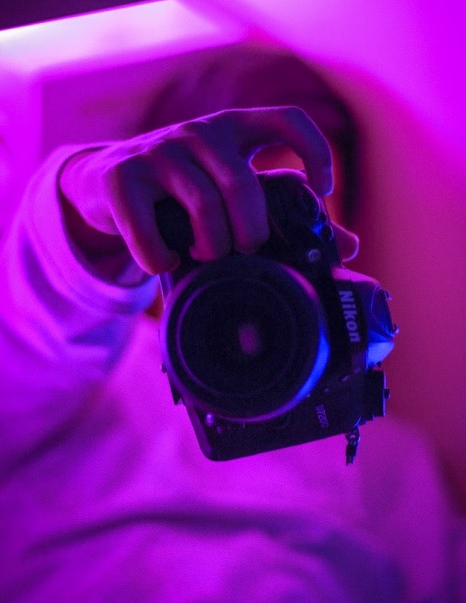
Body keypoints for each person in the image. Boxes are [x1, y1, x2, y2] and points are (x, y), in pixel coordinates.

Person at [0, 44, 464, 602]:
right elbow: (35, 335)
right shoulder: (77, 385)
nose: (256, 241)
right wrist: (83, 213)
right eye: (228, 205)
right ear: (151, 217)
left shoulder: (388, 458)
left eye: (293, 211)